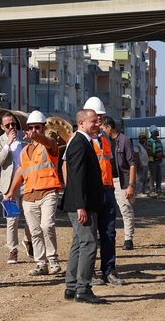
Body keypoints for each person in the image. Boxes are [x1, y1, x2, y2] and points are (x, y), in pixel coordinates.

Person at [5, 110, 62, 276]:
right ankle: (40, 263)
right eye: (31, 127)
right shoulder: (24, 152)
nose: (34, 130)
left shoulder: (50, 145)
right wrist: (10, 191)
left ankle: (52, 260)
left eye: (37, 127)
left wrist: (37, 137)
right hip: (29, 195)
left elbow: (48, 142)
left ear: (43, 128)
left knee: (47, 226)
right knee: (35, 231)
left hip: (48, 192)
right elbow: (21, 171)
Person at [61, 109, 106, 304]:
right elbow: (77, 177)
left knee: (79, 244)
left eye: (98, 121)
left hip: (83, 204)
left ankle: (72, 287)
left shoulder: (83, 142)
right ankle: (83, 288)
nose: (98, 124)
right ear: (81, 123)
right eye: (94, 121)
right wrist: (81, 206)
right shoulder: (79, 143)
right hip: (82, 205)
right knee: (88, 244)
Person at [82, 97, 126, 286]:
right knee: (90, 236)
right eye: (96, 116)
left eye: (101, 116)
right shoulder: (82, 139)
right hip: (93, 192)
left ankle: (109, 271)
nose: (99, 120)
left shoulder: (104, 139)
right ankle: (89, 272)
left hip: (107, 190)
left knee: (109, 233)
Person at [0, 112, 33, 264]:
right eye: (8, 125)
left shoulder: (24, 137)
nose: (11, 127)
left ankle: (28, 240)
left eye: (13, 124)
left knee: (32, 217)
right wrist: (7, 145)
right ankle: (12, 250)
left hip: (27, 183)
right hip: (9, 186)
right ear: (2, 127)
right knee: (12, 219)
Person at [101, 116, 137, 251]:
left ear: (109, 127)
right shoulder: (104, 142)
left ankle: (128, 238)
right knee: (107, 211)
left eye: (103, 129)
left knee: (126, 209)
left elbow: (132, 164)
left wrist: (131, 185)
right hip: (108, 181)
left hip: (122, 181)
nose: (102, 132)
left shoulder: (124, 141)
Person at [148, 125, 164, 196]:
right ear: (153, 132)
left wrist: (162, 155)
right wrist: (156, 155)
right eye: (157, 131)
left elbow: (160, 149)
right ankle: (152, 191)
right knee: (152, 176)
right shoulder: (149, 141)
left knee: (159, 177)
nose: (158, 132)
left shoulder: (158, 140)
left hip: (159, 161)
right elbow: (148, 151)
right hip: (153, 162)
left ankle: (158, 190)